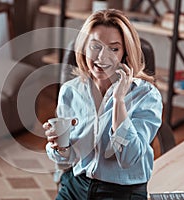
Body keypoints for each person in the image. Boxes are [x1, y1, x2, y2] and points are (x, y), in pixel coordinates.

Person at [43, 9, 163, 200]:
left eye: (114, 49)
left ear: (124, 53)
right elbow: (67, 158)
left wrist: (119, 101)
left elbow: (129, 158)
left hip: (123, 191)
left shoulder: (147, 96)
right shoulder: (70, 91)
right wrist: (59, 146)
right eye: (95, 46)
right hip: (78, 184)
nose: (101, 58)